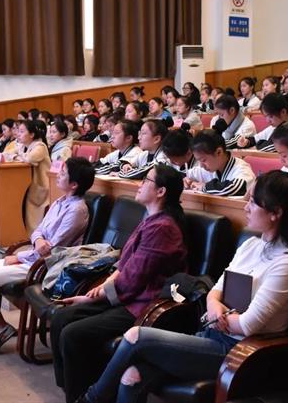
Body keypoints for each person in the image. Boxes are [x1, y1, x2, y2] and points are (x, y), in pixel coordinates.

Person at [74, 170, 288, 403]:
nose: (246, 207)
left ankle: (92, 398)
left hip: (240, 353)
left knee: (135, 335)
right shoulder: (250, 245)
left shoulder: (287, 265)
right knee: (132, 376)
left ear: (276, 213)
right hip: (211, 335)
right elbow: (216, 290)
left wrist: (217, 314)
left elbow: (248, 325)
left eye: (253, 202)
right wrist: (216, 308)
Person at [50, 164, 188, 403]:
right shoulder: (151, 219)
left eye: (146, 180)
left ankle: (85, 397)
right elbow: (125, 263)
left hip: (143, 304)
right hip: (128, 294)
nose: (140, 184)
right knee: (61, 317)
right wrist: (99, 290)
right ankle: (73, 391)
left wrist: (98, 295)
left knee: (73, 333)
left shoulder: (163, 227)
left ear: (161, 191)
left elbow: (135, 277)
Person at [0, 157, 95, 357]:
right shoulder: (60, 201)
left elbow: (52, 249)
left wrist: (21, 256)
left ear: (74, 184)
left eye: (63, 173)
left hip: (44, 267)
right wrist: (37, 241)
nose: (58, 175)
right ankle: (0, 327)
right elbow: (37, 231)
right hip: (34, 259)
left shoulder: (77, 210)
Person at [184, 130, 255, 196]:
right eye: (198, 160)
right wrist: (184, 180)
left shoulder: (242, 169)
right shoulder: (208, 168)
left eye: (203, 160)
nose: (201, 165)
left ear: (219, 152)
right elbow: (185, 174)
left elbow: (238, 187)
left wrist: (205, 187)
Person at [14, 120, 52, 233]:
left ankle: (35, 236)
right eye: (18, 131)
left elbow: (30, 159)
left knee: (33, 219)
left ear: (31, 134)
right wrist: (19, 156)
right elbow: (7, 154)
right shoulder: (23, 146)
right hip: (27, 184)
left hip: (41, 187)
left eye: (22, 131)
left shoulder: (40, 146)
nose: (18, 134)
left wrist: (18, 156)